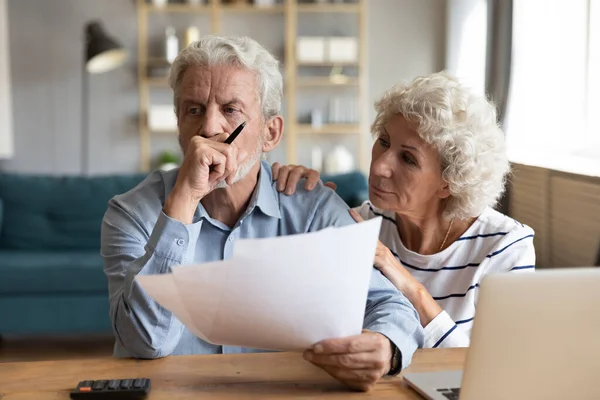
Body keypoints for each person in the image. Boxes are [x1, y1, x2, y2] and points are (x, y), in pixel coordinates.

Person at [100, 35, 424, 392]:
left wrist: (385, 347)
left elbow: (391, 306)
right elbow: (146, 342)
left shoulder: (314, 210)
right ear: (179, 125)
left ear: (270, 134)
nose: (209, 128)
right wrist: (185, 199)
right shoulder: (130, 214)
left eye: (230, 110)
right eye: (193, 110)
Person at [272, 71, 536, 348]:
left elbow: (496, 366)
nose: (379, 166)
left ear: (449, 182)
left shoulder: (505, 246)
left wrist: (406, 282)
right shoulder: (363, 222)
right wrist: (297, 205)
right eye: (384, 142)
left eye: (408, 159)